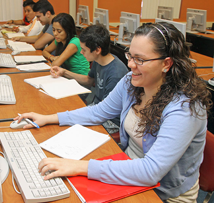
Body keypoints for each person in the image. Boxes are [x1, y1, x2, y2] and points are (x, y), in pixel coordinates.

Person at [15, 22, 213, 202]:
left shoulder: (185, 108)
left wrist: (79, 166)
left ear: (166, 64)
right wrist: (49, 118)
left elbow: (151, 171)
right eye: (130, 56)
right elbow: (98, 112)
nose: (130, 65)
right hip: (128, 170)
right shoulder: (132, 81)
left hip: (164, 193)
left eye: (140, 59)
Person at [50, 24, 128, 133]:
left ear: (97, 50)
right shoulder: (98, 60)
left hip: (111, 120)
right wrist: (64, 72)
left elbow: (104, 112)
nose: (81, 53)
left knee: (69, 128)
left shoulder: (116, 74)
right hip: (97, 108)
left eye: (84, 50)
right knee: (63, 114)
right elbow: (89, 80)